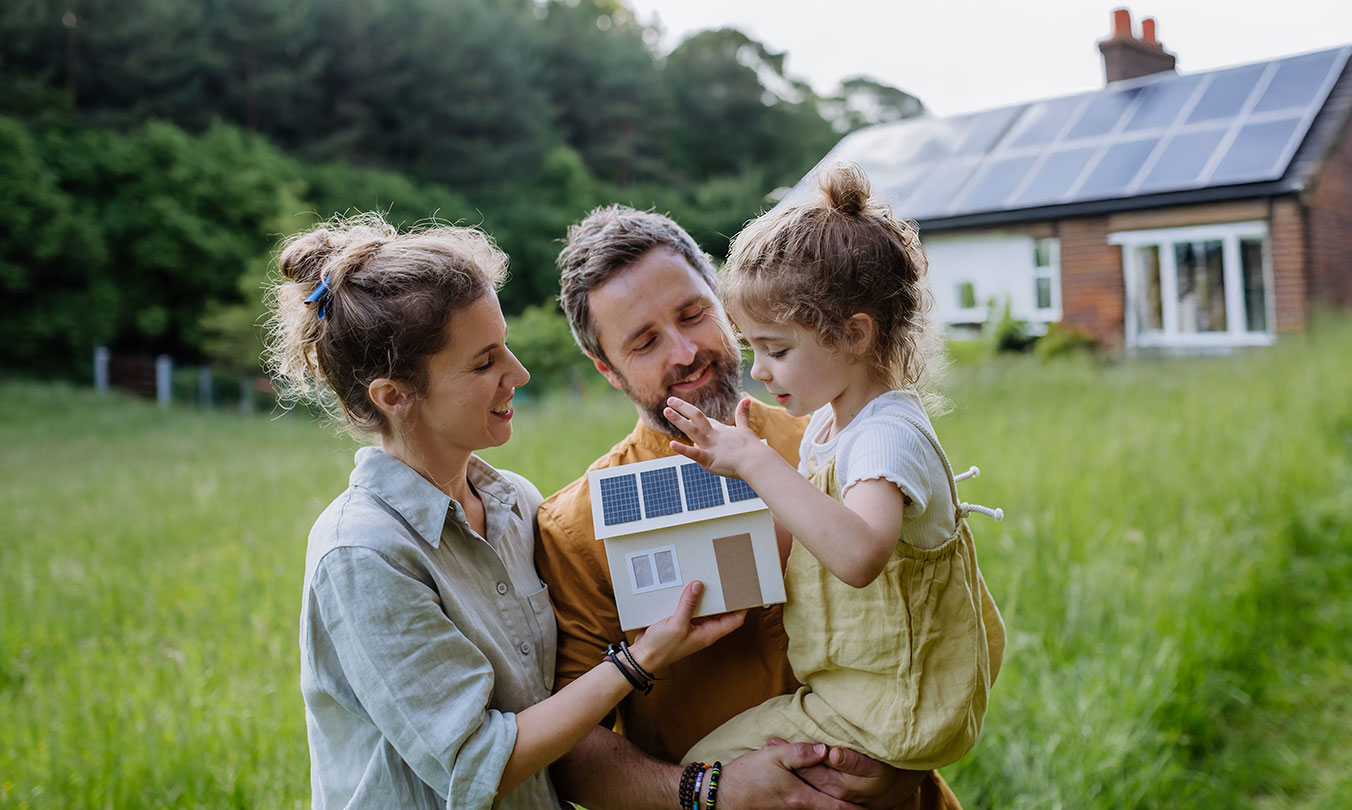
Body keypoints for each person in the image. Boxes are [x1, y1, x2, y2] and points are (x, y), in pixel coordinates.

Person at [267, 214, 741, 810]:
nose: (517, 373)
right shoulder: (363, 553)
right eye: (483, 362)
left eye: (505, 347)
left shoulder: (516, 503)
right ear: (394, 396)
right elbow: (476, 764)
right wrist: (641, 660)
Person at [535, 205, 964, 809]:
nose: (685, 352)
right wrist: (715, 791)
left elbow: (939, 611)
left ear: (724, 301)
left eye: (693, 314)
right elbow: (572, 753)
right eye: (645, 342)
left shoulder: (836, 435)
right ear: (607, 370)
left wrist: (905, 764)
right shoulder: (575, 528)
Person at [663, 162, 1006, 772]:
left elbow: (856, 556)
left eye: (777, 349)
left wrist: (756, 463)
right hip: (858, 690)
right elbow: (799, 539)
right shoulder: (832, 421)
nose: (760, 371)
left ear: (853, 336)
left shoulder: (884, 438)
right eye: (753, 349)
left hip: (895, 706)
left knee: (702, 768)